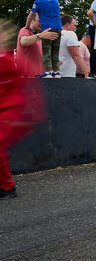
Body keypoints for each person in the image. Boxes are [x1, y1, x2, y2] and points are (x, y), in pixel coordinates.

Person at [0, 20, 45, 199]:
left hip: (10, 113)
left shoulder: (7, 62)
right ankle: (6, 186)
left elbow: (21, 90)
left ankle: (7, 187)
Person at [26, 0, 62, 78]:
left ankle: (48, 72)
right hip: (58, 28)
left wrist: (27, 26)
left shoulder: (38, 2)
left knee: (47, 51)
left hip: (47, 29)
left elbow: (30, 15)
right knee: (55, 51)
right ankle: (57, 72)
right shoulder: (55, 1)